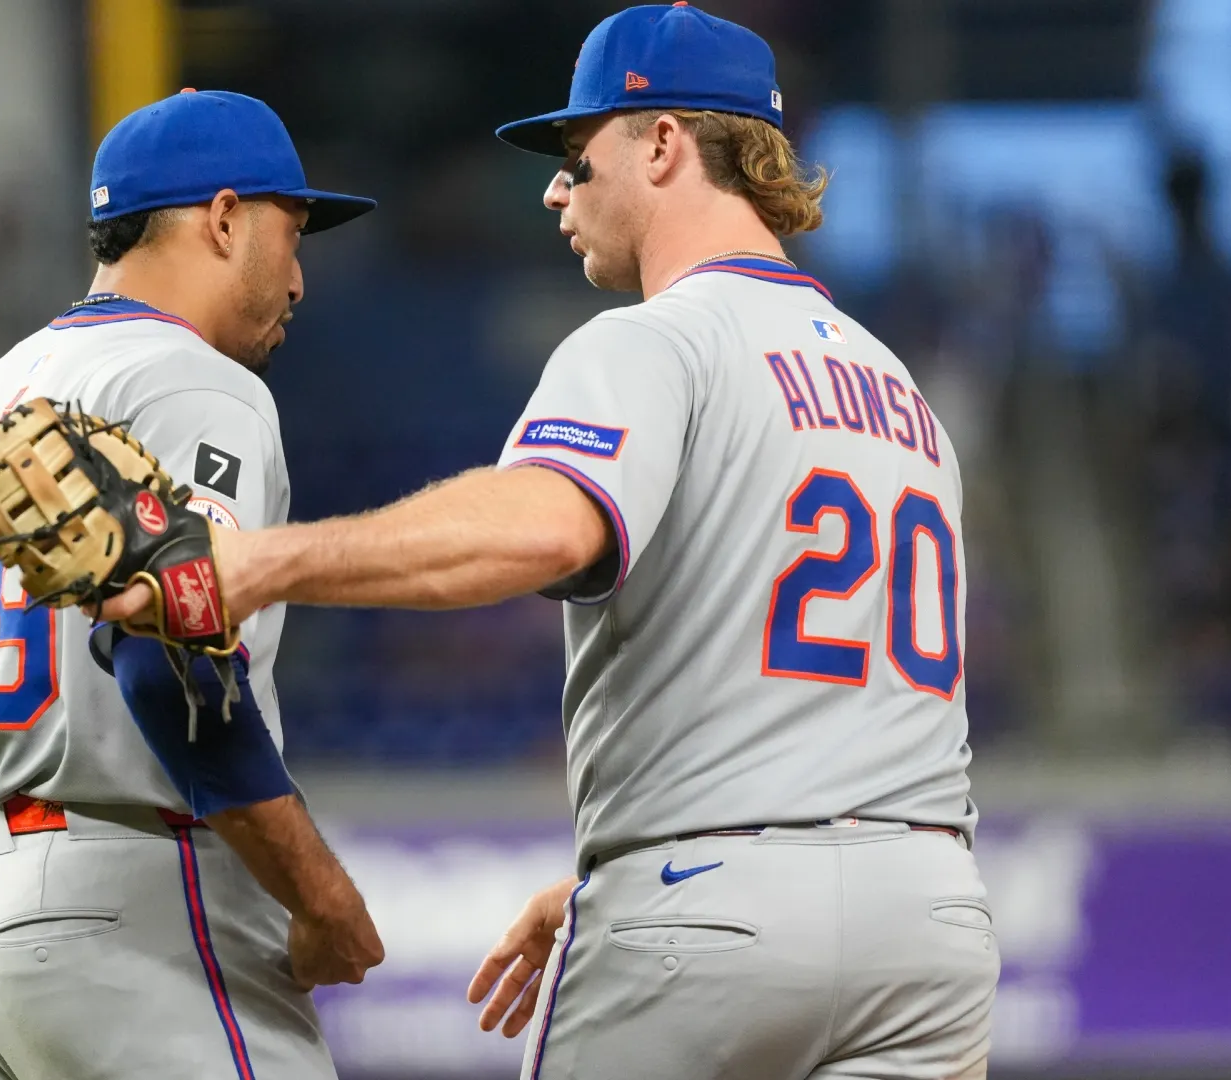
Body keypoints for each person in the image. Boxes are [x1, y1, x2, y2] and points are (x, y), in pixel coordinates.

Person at [100, 6, 998, 1078]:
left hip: (707, 907)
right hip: (930, 923)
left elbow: (544, 526)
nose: (555, 191)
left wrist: (262, 561)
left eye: (579, 158)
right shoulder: (900, 390)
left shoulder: (654, 343)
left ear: (664, 144)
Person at [0, 89, 384, 1080]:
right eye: (292, 232)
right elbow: (168, 662)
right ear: (225, 218)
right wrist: (318, 893)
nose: (301, 279)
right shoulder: (194, 383)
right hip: (137, 906)